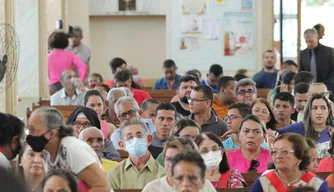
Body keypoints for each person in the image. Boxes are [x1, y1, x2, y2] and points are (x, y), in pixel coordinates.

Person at [26, 107, 110, 191]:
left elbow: (102, 186)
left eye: (33, 130)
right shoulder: (47, 151)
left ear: (51, 133)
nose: (29, 134)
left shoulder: (72, 149)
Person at [250, 133, 330, 192]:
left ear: (299, 157)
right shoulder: (263, 183)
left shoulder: (316, 184)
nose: (278, 156)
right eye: (274, 152)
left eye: (284, 152)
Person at [107, 118, 165, 189]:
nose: (135, 140)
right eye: (129, 137)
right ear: (122, 145)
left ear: (149, 139)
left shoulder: (163, 175)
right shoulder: (114, 174)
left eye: (139, 136)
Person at [143, 137, 216, 192]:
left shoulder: (205, 186)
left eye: (178, 159)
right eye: (168, 159)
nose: (172, 164)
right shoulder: (152, 188)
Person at [300, 28, 334, 101]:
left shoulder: (329, 52)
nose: (309, 44)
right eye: (307, 42)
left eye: (311, 41)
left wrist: (323, 86)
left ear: (317, 38)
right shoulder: (303, 54)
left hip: (328, 89)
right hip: (310, 91)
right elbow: (302, 72)